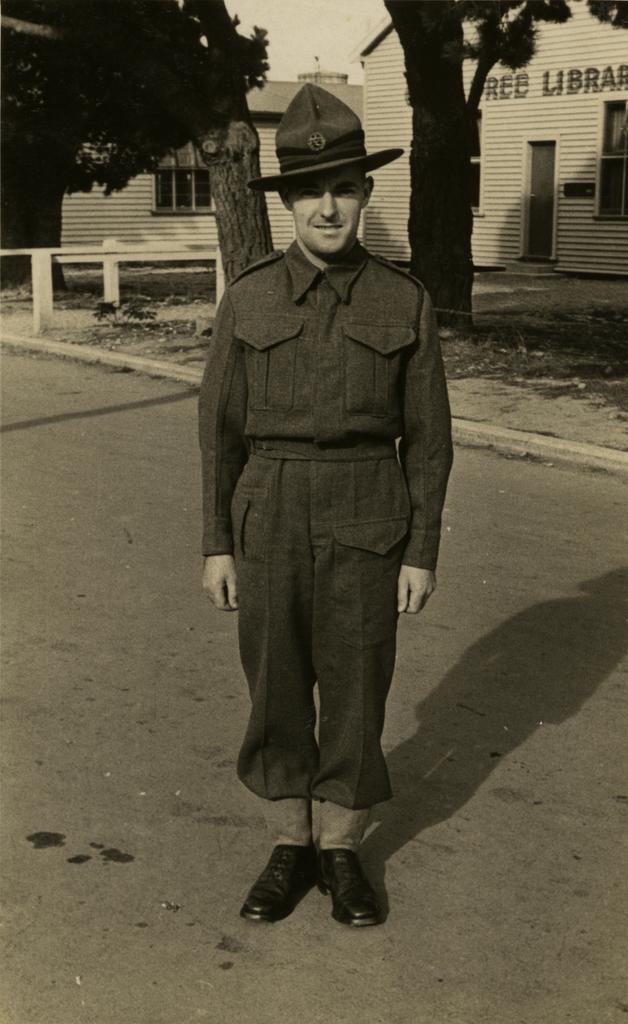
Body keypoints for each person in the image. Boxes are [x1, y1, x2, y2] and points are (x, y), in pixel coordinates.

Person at [198, 84, 453, 927]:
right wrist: (216, 544)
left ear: (366, 193)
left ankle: (340, 848)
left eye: (344, 186)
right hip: (266, 508)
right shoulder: (249, 298)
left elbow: (429, 438)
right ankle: (288, 843)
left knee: (356, 686)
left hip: (369, 511)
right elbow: (219, 433)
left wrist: (421, 550)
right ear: (289, 203)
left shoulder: (403, 299)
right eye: (311, 190)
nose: (328, 206)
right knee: (273, 684)